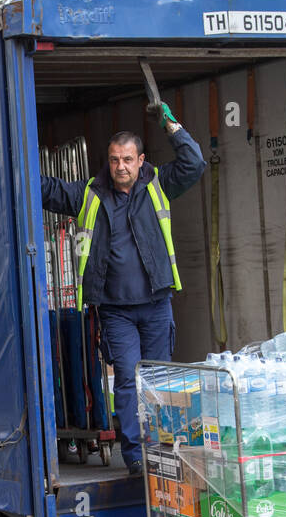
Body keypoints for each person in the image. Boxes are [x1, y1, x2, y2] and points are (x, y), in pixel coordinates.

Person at [41, 105, 206, 475]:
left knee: (159, 380)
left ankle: (165, 448)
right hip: (115, 309)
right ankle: (135, 456)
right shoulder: (90, 193)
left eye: (128, 159)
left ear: (141, 159)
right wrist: (13, 163)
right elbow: (48, 190)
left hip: (156, 303)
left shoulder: (159, 184)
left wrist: (171, 124)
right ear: (108, 162)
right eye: (115, 160)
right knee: (130, 381)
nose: (121, 167)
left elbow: (194, 163)